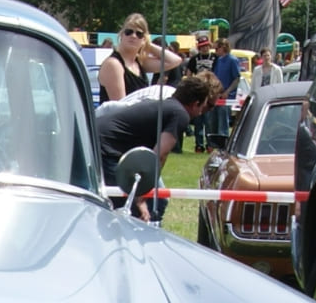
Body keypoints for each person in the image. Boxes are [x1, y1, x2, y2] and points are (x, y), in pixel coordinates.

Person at [96, 71, 222, 222]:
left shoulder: (168, 105)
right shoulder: (180, 114)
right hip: (105, 150)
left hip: (99, 141)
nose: (203, 112)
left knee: (155, 202)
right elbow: (157, 157)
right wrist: (141, 198)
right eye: (204, 106)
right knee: (133, 211)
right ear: (196, 103)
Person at [98, 13, 181, 105]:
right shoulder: (113, 64)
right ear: (121, 35)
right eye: (128, 32)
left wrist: (147, 44)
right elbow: (120, 107)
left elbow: (174, 61)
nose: (133, 36)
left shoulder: (139, 62)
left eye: (139, 34)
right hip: (121, 118)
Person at [187, 31, 219, 151]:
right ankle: (199, 144)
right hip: (198, 91)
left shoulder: (215, 58)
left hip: (210, 91)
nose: (205, 48)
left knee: (209, 120)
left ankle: (210, 144)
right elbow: (189, 73)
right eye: (202, 46)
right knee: (198, 120)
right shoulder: (194, 59)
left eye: (206, 46)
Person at [210, 39, 242, 140]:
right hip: (217, 95)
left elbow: (237, 78)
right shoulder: (219, 60)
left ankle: (223, 142)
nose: (215, 51)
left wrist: (227, 92)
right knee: (213, 120)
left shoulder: (232, 60)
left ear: (223, 47)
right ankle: (214, 142)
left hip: (227, 97)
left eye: (216, 48)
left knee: (223, 121)